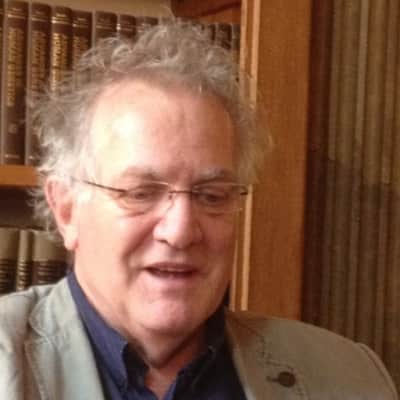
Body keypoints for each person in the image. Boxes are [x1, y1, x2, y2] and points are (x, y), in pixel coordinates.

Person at [0, 22, 397, 400]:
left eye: (212, 195)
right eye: (141, 193)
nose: (181, 231)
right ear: (66, 210)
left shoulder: (349, 376)